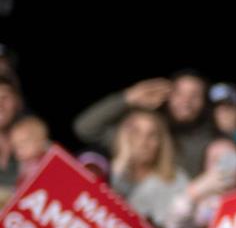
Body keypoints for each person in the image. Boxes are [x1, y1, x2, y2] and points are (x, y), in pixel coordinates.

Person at [73, 72, 218, 178]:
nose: (186, 100)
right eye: (179, 93)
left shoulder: (207, 143)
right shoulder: (145, 125)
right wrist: (128, 98)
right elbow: (84, 129)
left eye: (195, 95)